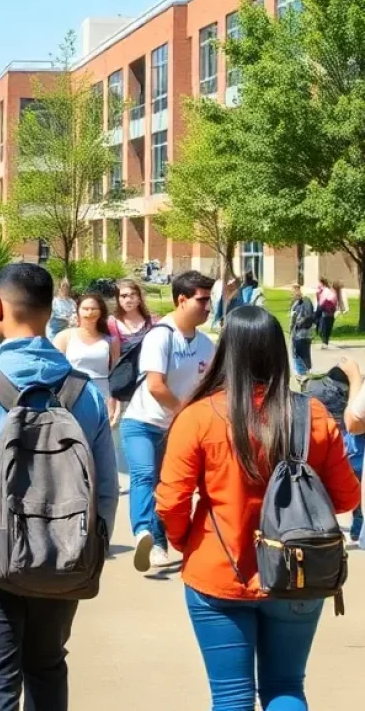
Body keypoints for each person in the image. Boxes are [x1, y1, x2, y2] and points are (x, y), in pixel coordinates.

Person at [0, 262, 118, 711]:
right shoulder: (82, 391)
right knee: (48, 667)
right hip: (66, 552)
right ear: (53, 311)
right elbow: (105, 489)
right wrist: (92, 550)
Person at [156, 306, 360, 711]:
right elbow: (347, 498)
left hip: (219, 568)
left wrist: (184, 543)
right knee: (286, 686)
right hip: (298, 569)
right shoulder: (311, 414)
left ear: (226, 351)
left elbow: (171, 500)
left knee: (231, 698)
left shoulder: (198, 417)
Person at [122, 269, 215, 574]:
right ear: (182, 300)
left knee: (172, 486)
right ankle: (143, 534)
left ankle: (162, 541)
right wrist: (186, 412)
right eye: (202, 300)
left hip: (179, 428)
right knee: (145, 475)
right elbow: (155, 386)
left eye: (209, 299)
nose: (208, 307)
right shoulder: (160, 336)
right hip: (142, 422)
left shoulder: (206, 345)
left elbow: (210, 387)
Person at [303, 360, 364, 543]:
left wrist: (355, 379)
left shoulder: (315, 400)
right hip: (353, 458)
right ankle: (357, 525)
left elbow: (353, 421)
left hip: (344, 454)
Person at [53, 291, 121, 415]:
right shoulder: (64, 337)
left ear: (101, 312)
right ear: (78, 311)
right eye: (85, 309)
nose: (89, 313)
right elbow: (54, 370)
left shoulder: (111, 341)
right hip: (72, 396)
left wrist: (114, 401)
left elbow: (116, 373)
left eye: (94, 309)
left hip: (102, 396)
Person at [108, 277, 159, 353]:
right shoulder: (113, 323)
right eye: (123, 296)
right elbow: (115, 355)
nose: (128, 300)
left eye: (132, 295)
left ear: (139, 298)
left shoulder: (153, 322)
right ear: (118, 300)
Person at [289, 284, 315, 373]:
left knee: (298, 355)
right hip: (305, 333)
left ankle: (302, 374)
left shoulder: (300, 303)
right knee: (305, 354)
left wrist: (297, 325)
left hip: (300, 333)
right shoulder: (303, 302)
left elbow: (296, 320)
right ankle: (306, 372)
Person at [316, 278, 340, 348]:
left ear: (322, 283)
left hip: (327, 313)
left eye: (319, 283)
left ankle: (325, 343)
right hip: (327, 313)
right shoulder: (322, 291)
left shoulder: (325, 291)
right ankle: (325, 342)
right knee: (324, 329)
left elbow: (322, 303)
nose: (318, 284)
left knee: (325, 329)